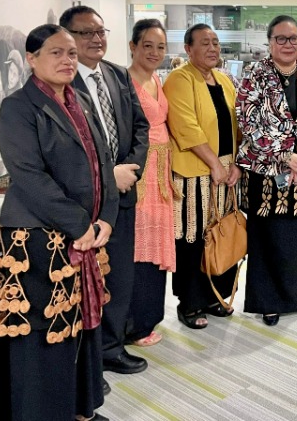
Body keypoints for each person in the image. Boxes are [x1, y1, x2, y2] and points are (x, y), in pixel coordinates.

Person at [0, 24, 117, 421]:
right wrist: (82, 226)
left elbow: (102, 164)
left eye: (72, 53)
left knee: (82, 328)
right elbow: (29, 176)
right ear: (31, 58)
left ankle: (79, 409)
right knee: (47, 334)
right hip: (40, 242)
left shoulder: (78, 101)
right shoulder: (18, 108)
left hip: (85, 236)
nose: (67, 60)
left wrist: (106, 217)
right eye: (56, 53)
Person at [62, 6, 150, 377]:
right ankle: (88, 365)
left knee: (120, 280)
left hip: (123, 199)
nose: (96, 39)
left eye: (101, 32)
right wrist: (106, 176)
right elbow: (66, 150)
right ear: (67, 38)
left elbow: (140, 127)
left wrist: (130, 170)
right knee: (85, 286)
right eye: (85, 34)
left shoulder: (116, 75)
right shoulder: (62, 84)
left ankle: (112, 349)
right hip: (84, 207)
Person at [236, 15, 297, 326]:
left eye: (293, 38)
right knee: (270, 240)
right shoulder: (254, 75)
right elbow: (248, 123)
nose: (288, 45)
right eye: (281, 39)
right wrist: (285, 156)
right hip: (268, 174)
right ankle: (270, 302)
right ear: (270, 42)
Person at [164, 23, 242, 330]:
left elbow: (235, 125)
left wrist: (235, 163)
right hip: (194, 171)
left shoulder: (223, 80)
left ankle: (216, 295)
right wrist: (214, 163)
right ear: (188, 49)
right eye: (204, 43)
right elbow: (187, 127)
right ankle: (191, 302)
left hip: (224, 170)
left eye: (215, 43)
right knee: (192, 237)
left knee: (220, 233)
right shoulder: (178, 79)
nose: (212, 48)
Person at [124, 19, 172, 347]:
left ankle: (149, 316)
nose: (154, 52)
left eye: (160, 47)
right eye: (147, 46)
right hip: (140, 174)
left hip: (162, 175)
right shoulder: (123, 82)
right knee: (136, 247)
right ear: (133, 47)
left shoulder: (157, 79)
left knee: (156, 245)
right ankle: (132, 324)